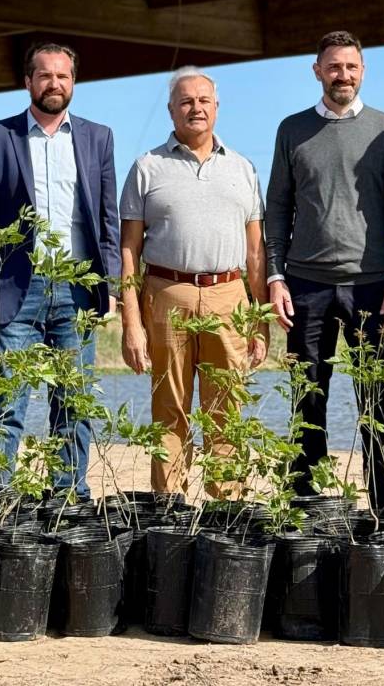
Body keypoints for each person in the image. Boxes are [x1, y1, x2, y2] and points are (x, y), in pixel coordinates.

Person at [0, 41, 120, 500]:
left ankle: (69, 497)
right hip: (13, 291)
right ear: (28, 81)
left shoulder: (98, 138)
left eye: (63, 76)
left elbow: (106, 221)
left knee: (73, 402)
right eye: (45, 75)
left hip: (77, 290)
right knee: (7, 400)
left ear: (74, 82)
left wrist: (107, 287)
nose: (55, 83)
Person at [265, 30, 384, 509]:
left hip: (370, 285)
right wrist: (275, 276)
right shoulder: (291, 130)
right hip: (305, 284)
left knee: (376, 398)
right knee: (307, 399)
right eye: (333, 66)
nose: (341, 74)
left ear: (362, 71)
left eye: (350, 66)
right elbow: (278, 208)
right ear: (317, 71)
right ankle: (306, 500)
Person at [119, 66, 268, 496]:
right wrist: (131, 323)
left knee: (227, 411)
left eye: (204, 100)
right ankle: (170, 512)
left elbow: (255, 252)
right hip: (167, 294)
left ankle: (227, 510)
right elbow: (129, 251)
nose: (195, 108)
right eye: (186, 101)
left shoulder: (243, 169)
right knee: (169, 411)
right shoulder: (146, 167)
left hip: (230, 295)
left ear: (217, 108)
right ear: (171, 111)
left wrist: (260, 320)